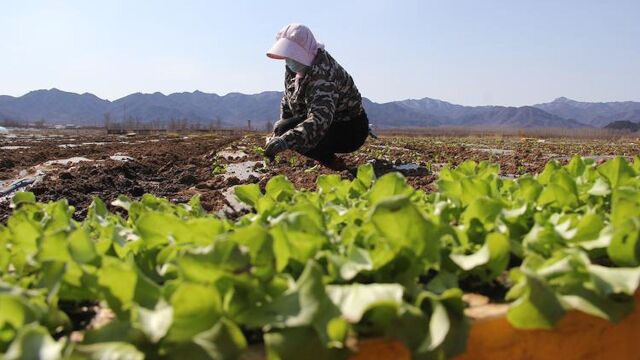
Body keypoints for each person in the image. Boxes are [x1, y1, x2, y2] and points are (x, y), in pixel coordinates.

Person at [264, 23, 369, 170]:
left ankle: (331, 161)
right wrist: (278, 133)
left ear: (303, 52)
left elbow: (320, 120)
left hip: (349, 128)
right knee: (282, 127)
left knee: (291, 134)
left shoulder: (323, 74)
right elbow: (287, 101)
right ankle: (328, 158)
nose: (288, 60)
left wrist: (285, 140)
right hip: (327, 122)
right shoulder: (294, 69)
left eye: (292, 55)